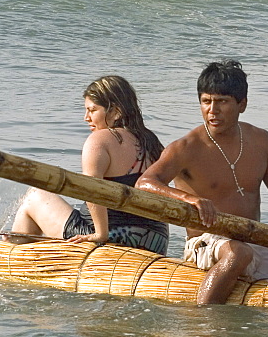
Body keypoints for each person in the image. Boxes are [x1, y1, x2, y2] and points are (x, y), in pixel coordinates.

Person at [136, 60, 268, 304]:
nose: (212, 111)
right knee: (238, 254)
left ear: (242, 104)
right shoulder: (186, 147)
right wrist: (190, 199)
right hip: (206, 244)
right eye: (206, 101)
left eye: (222, 102)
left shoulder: (261, 141)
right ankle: (202, 318)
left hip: (253, 240)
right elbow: (145, 183)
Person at [11, 75, 169, 255]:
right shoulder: (153, 143)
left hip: (114, 237)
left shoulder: (99, 140)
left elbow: (93, 188)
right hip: (155, 240)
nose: (86, 117)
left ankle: (10, 255)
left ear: (116, 112)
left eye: (93, 110)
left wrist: (100, 234)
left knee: (34, 197)